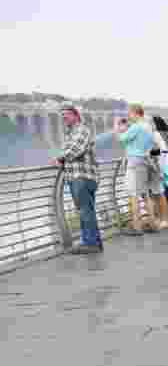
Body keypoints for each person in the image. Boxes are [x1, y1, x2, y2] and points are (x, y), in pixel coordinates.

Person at [54, 104, 102, 254]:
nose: (64, 118)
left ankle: (90, 243)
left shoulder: (82, 129)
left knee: (85, 210)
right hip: (77, 176)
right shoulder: (71, 132)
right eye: (62, 116)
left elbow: (75, 149)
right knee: (86, 210)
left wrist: (60, 158)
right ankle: (92, 242)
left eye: (66, 115)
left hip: (82, 176)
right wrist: (62, 158)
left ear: (75, 115)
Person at [116, 104, 162, 234]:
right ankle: (152, 223)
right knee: (145, 194)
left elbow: (120, 139)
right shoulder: (148, 126)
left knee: (134, 194)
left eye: (129, 113)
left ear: (135, 113)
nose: (128, 116)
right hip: (145, 161)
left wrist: (117, 126)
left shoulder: (136, 127)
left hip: (135, 162)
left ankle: (137, 226)